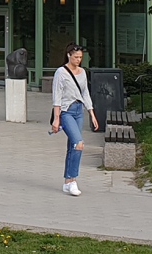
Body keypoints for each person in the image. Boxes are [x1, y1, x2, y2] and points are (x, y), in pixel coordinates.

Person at [50, 43, 99, 196]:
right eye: (76, 57)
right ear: (69, 55)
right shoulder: (61, 72)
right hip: (66, 111)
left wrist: (91, 113)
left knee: (73, 146)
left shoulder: (83, 72)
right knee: (79, 144)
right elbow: (56, 97)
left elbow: (85, 93)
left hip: (79, 111)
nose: (78, 60)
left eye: (80, 57)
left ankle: (67, 182)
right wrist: (56, 119)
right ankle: (73, 180)